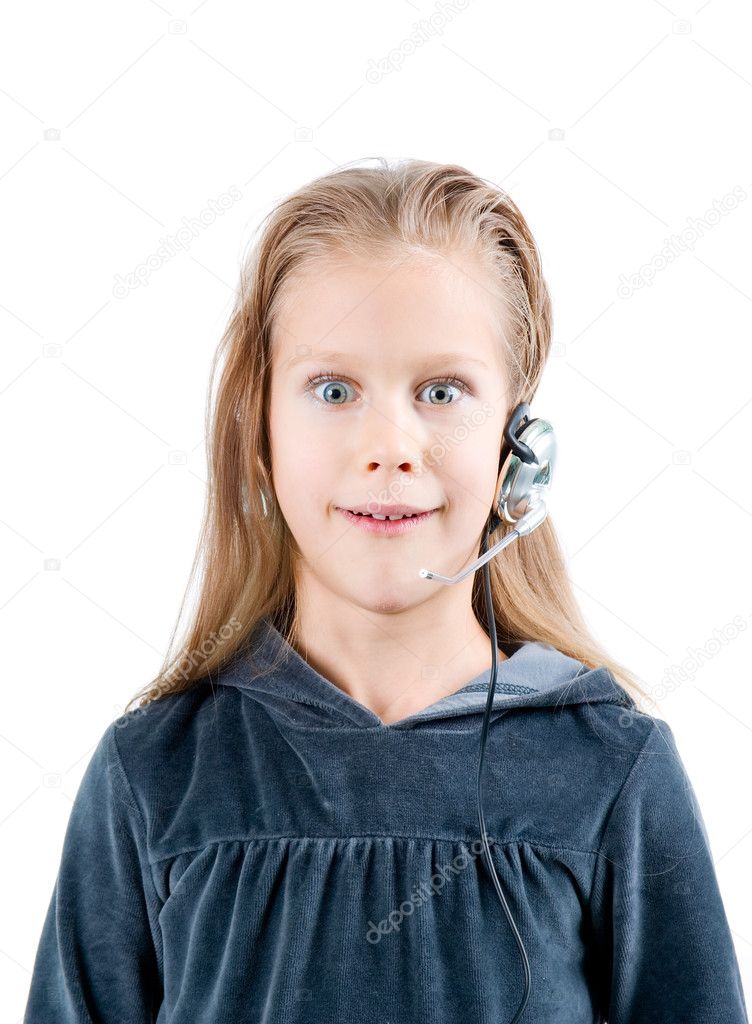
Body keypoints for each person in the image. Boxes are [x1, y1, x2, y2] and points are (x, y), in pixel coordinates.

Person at [24, 158, 748, 1023]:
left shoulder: (614, 770)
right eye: (333, 390)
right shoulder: (154, 773)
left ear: (520, 445)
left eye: (442, 391)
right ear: (259, 430)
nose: (391, 446)